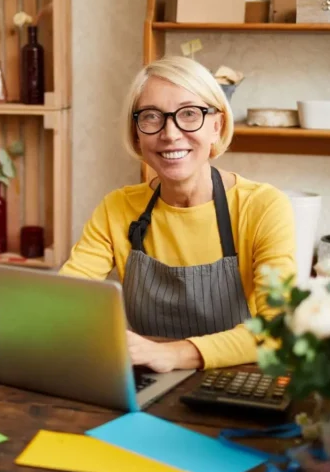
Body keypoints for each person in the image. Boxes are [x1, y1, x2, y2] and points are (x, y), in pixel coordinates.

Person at [58, 56, 296, 373]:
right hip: (147, 383)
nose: (170, 134)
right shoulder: (117, 208)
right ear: (137, 132)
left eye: (188, 114)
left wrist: (172, 355)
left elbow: (275, 330)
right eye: (152, 117)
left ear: (217, 125)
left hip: (236, 385)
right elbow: (65, 299)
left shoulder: (263, 207)